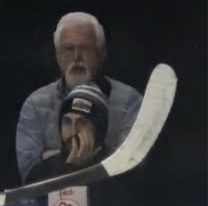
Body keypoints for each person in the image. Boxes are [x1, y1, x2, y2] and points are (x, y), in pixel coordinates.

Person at [15, 11, 142, 183]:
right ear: (57, 55)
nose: (77, 58)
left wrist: (54, 160)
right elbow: (30, 177)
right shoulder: (35, 104)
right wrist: (70, 165)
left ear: (101, 52)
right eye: (68, 49)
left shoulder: (129, 101)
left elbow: (131, 171)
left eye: (85, 48)